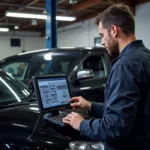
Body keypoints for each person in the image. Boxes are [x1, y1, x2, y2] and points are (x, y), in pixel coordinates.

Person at [63, 3, 150, 150]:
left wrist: (81, 124)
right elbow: (128, 111)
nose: (102, 42)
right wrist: (90, 106)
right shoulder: (145, 56)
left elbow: (115, 127)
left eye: (102, 35)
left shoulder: (125, 66)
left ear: (114, 30)